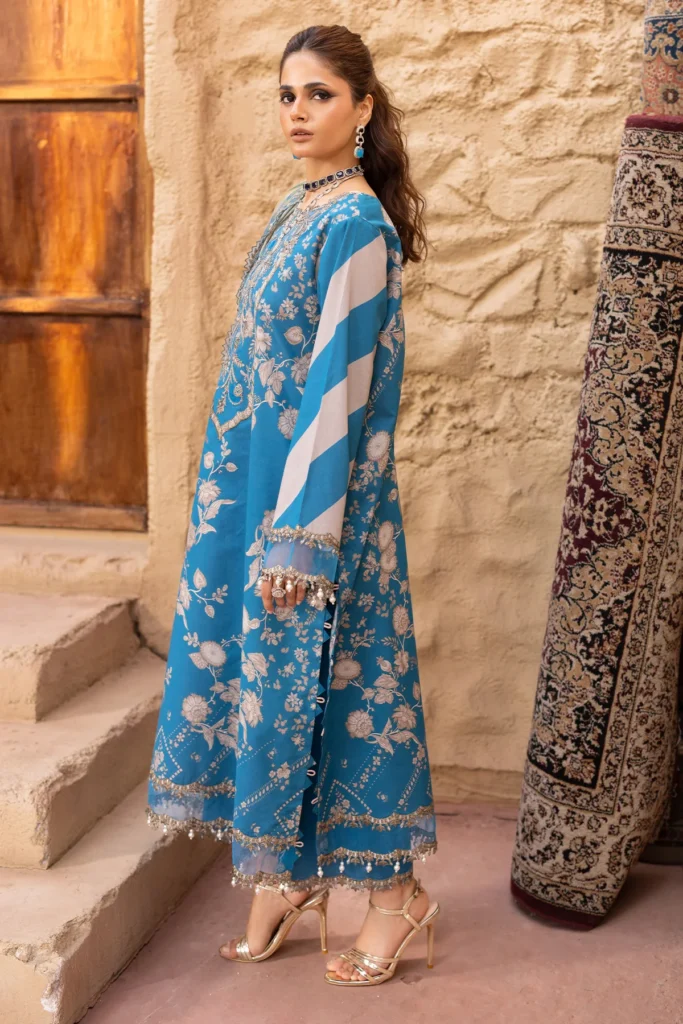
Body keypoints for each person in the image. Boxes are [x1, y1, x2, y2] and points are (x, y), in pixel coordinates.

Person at [146, 23, 440, 986]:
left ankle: (394, 897)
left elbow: (337, 387)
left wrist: (300, 539)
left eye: (319, 94)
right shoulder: (300, 207)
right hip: (251, 499)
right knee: (268, 691)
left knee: (344, 688)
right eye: (286, 95)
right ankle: (287, 876)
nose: (298, 112)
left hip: (314, 518)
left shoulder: (354, 223)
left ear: (362, 108)